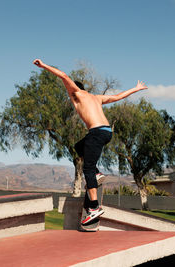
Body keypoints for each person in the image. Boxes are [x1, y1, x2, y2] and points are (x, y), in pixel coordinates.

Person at [33, 59, 147, 224]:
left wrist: (43, 66)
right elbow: (117, 97)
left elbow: (63, 75)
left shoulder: (77, 94)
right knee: (79, 146)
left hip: (97, 132)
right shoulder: (96, 97)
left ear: (74, 89)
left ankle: (94, 208)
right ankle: (97, 172)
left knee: (87, 169)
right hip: (106, 132)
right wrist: (135, 89)